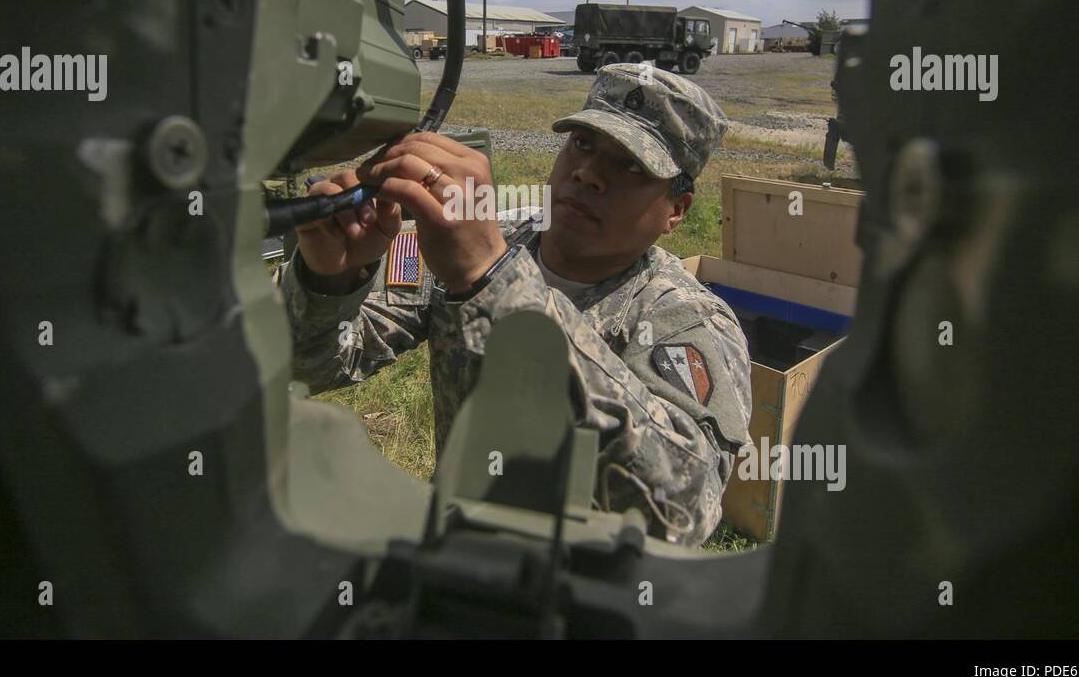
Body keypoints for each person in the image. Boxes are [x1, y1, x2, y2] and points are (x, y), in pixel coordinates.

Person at [280, 63, 752, 545]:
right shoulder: (486, 235)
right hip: (455, 553)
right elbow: (305, 367)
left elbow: (684, 511)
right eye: (583, 144)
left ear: (677, 210)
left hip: (584, 595)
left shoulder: (682, 317)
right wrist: (328, 282)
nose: (589, 174)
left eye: (631, 165)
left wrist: (494, 282)